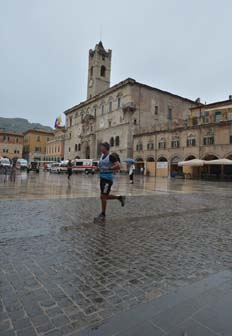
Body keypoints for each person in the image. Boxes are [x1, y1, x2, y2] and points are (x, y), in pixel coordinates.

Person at [94, 142, 126, 223]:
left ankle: (103, 214)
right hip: (102, 178)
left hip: (107, 179)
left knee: (103, 196)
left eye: (102, 147)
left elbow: (118, 165)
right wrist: (98, 168)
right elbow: (101, 166)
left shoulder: (111, 156)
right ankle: (120, 198)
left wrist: (108, 168)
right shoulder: (101, 156)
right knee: (104, 196)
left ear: (106, 148)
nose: (101, 148)